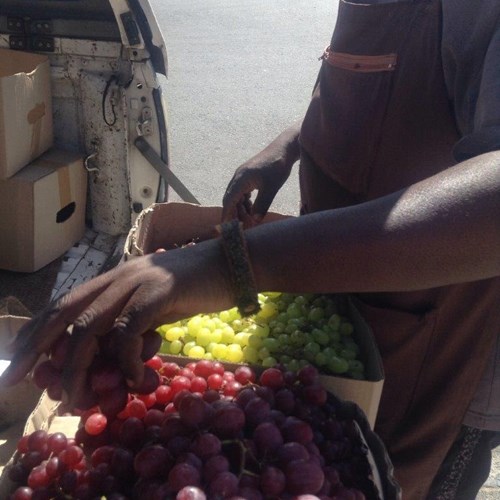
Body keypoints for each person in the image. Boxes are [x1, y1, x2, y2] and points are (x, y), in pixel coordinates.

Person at [0, 1, 499, 498]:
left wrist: (229, 263)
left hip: (443, 355)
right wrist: (293, 143)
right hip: (344, 297)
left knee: (413, 480)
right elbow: (386, 91)